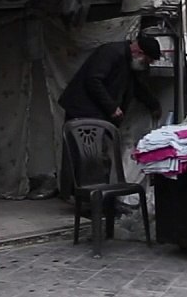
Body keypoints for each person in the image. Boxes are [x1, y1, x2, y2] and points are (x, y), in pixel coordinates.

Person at [57, 35, 163, 198]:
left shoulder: (131, 62)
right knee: (87, 157)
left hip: (99, 113)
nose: (146, 65)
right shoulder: (112, 53)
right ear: (138, 52)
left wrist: (153, 104)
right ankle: (86, 198)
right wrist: (112, 107)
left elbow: (138, 87)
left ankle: (98, 197)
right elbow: (93, 80)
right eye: (147, 60)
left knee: (98, 157)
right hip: (83, 110)